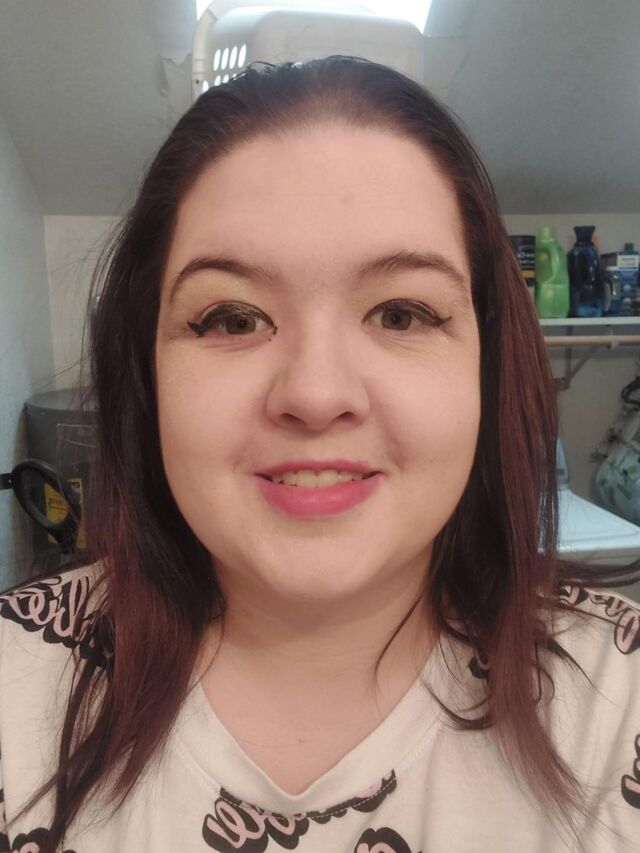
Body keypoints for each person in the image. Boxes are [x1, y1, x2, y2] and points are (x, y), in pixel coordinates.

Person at [0, 55, 639, 853]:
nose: (315, 392)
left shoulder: (619, 702)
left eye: (401, 313)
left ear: (488, 364)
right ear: (146, 370)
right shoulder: (15, 686)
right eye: (233, 318)